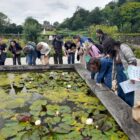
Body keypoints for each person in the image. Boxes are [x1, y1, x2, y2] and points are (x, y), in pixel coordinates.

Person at [103, 38, 137, 107]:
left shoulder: (123, 47)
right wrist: (113, 79)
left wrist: (132, 77)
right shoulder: (114, 53)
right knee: (120, 93)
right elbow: (114, 67)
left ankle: (129, 112)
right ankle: (123, 111)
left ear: (111, 46)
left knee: (129, 96)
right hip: (119, 74)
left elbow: (133, 61)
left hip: (128, 74)